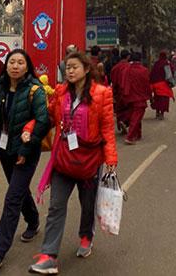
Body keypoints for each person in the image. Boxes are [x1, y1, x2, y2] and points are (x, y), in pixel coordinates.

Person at [28, 52, 117, 274]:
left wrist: (111, 159)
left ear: (86, 69)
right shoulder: (60, 92)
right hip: (63, 158)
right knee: (56, 206)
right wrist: (30, 128)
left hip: (89, 161)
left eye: (74, 67)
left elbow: (107, 128)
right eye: (67, 67)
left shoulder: (102, 94)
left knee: (87, 204)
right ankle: (49, 256)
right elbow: (48, 117)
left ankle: (86, 236)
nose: (69, 71)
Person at [0, 49, 50, 270]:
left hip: (26, 153)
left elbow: (43, 121)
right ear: (6, 66)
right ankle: (34, 220)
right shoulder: (0, 89)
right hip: (6, 152)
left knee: (12, 198)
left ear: (27, 67)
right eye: (11, 62)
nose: (15, 66)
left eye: (20, 62)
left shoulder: (35, 90)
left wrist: (26, 149)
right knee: (18, 191)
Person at [120, 52, 151, 144]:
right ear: (140, 59)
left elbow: (122, 83)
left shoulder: (126, 69)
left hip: (128, 96)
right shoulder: (144, 70)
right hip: (140, 96)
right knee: (136, 117)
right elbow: (147, 84)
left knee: (134, 115)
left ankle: (138, 134)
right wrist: (150, 95)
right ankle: (130, 137)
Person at [150, 51, 174, 120]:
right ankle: (162, 114)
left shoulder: (157, 63)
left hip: (156, 85)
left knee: (157, 99)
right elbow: (170, 74)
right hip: (164, 85)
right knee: (164, 100)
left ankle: (157, 112)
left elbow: (152, 73)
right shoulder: (167, 63)